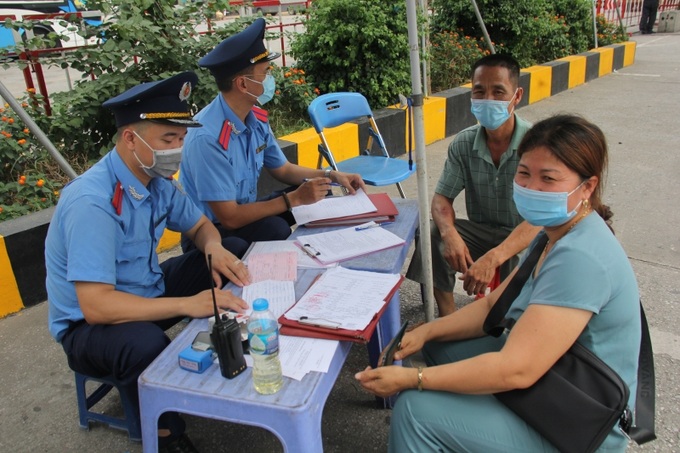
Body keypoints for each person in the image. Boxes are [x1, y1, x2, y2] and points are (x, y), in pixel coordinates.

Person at [356, 114, 641, 452]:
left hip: (578, 420)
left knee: (414, 411)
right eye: (524, 174)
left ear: (588, 187)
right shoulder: (554, 232)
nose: (531, 188)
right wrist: (427, 331)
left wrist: (414, 380)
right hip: (551, 377)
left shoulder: (581, 257)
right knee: (437, 343)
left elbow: (516, 370)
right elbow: (493, 305)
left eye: (548, 179)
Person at [46, 72, 252, 453]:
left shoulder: (155, 179)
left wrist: (213, 248)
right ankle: (165, 433)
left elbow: (202, 225)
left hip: (146, 290)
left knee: (234, 248)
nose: (177, 148)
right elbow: (96, 306)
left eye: (181, 139)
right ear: (130, 139)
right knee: (145, 343)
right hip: (91, 326)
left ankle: (233, 337)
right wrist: (189, 305)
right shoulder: (92, 203)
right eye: (168, 139)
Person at [179, 18, 365, 252]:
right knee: (274, 229)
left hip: (242, 214)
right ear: (243, 84)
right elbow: (230, 218)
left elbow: (283, 169)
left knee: (320, 188)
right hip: (209, 233)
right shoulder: (207, 137)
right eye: (265, 72)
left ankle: (327, 248)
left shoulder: (255, 118)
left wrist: (333, 175)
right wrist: (293, 199)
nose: (270, 79)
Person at [406, 54, 541, 316]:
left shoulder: (536, 145)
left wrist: (494, 257)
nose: (488, 100)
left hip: (522, 234)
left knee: (516, 260)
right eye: (479, 91)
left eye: (498, 91)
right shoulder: (464, 143)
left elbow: (538, 221)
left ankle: (504, 322)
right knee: (431, 233)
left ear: (517, 95)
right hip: (483, 231)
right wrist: (450, 234)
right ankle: (448, 317)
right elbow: (441, 200)